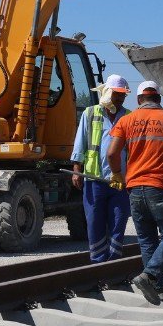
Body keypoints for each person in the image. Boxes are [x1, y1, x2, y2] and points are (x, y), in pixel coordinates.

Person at [107, 80, 163, 305]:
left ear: (139, 100)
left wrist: (117, 174)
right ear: (159, 99)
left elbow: (111, 153)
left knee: (147, 241)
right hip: (161, 187)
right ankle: (150, 274)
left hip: (135, 188)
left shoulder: (126, 121)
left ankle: (159, 289)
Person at [70, 74, 131, 263]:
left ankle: (113, 260)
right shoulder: (91, 113)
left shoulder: (128, 116)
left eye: (123, 95)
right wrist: (76, 168)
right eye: (117, 94)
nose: (120, 99)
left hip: (120, 180)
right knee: (95, 222)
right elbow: (81, 141)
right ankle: (98, 261)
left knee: (118, 221)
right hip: (94, 178)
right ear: (107, 93)